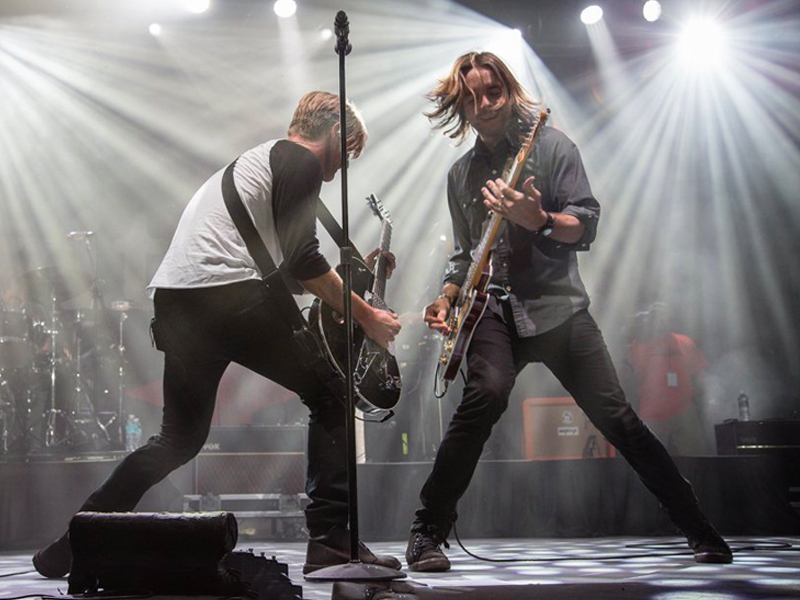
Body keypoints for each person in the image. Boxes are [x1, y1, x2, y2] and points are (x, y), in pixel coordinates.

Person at [33, 90, 403, 578]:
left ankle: (78, 538)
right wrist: (366, 316)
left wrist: (352, 279)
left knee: (178, 439)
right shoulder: (301, 161)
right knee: (332, 396)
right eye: (349, 152)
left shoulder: (257, 163)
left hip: (178, 301)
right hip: (226, 297)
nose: (340, 170)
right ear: (335, 133)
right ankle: (332, 545)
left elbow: (279, 270)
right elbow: (303, 262)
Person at [405, 52, 732, 572]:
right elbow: (465, 255)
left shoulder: (552, 146)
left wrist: (538, 219)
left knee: (617, 418)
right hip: (491, 310)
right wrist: (446, 296)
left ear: (509, 92)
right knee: (484, 396)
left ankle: (698, 527)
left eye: (493, 92)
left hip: (557, 308)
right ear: (459, 106)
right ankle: (427, 531)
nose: (484, 104)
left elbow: (586, 222)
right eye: (471, 97)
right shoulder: (460, 175)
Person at [626, 302, 711, 455]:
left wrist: (703, 402)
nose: (660, 322)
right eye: (657, 318)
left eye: (664, 318)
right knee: (650, 461)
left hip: (684, 411)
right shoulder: (639, 346)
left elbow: (700, 375)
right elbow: (630, 377)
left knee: (696, 459)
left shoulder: (685, 342)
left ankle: (696, 480)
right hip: (652, 413)